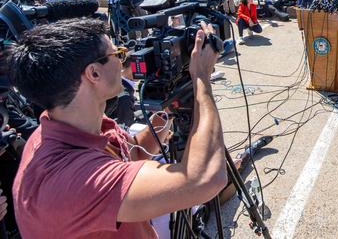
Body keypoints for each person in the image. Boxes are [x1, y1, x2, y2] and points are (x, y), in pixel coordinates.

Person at [8, 18, 227, 237]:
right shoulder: (75, 178)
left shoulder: (69, 125)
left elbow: (134, 151)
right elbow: (204, 179)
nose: (125, 61)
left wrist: (168, 109)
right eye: (117, 54)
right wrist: (201, 80)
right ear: (94, 74)